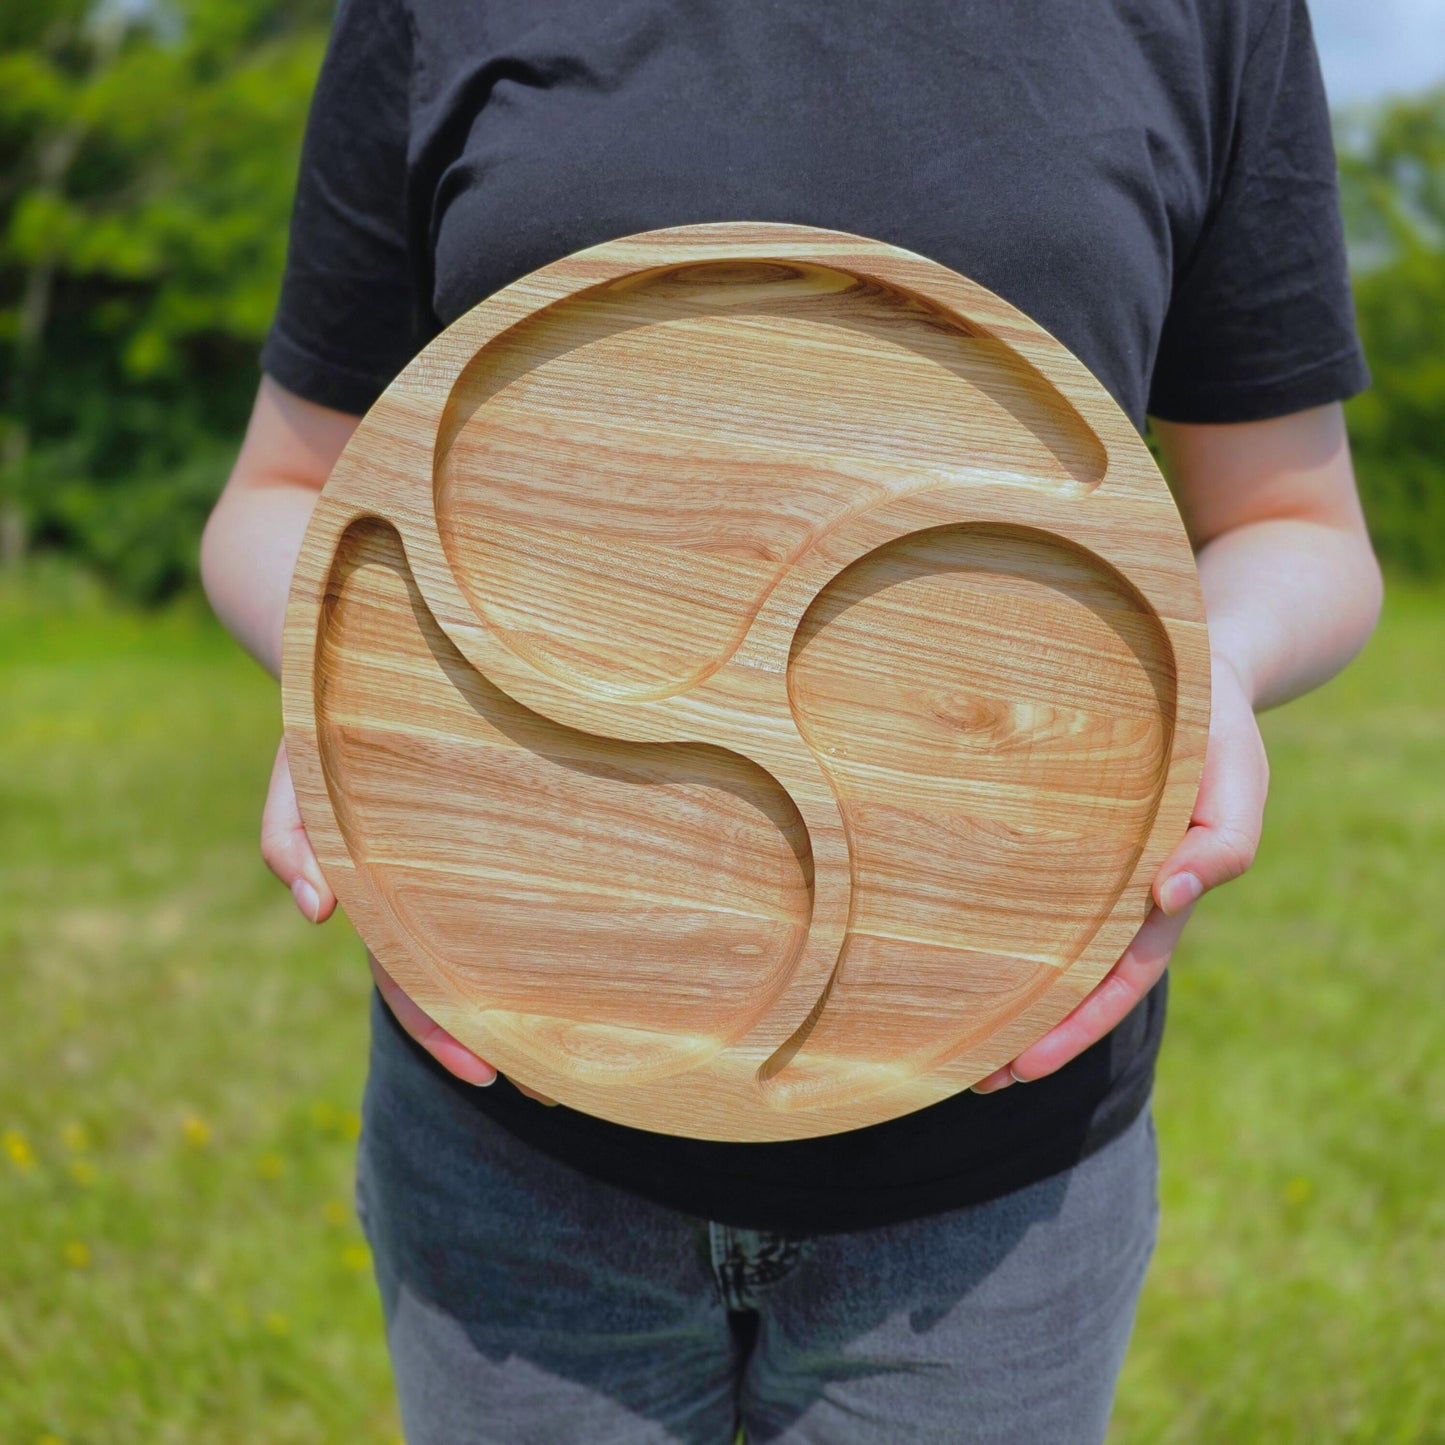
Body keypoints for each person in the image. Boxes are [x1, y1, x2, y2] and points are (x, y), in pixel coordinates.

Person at [200, 1, 1383, 1440]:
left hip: (995, 1170)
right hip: (516, 1138)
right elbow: (279, 494)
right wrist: (339, 674)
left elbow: (1294, 521)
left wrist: (1221, 667)